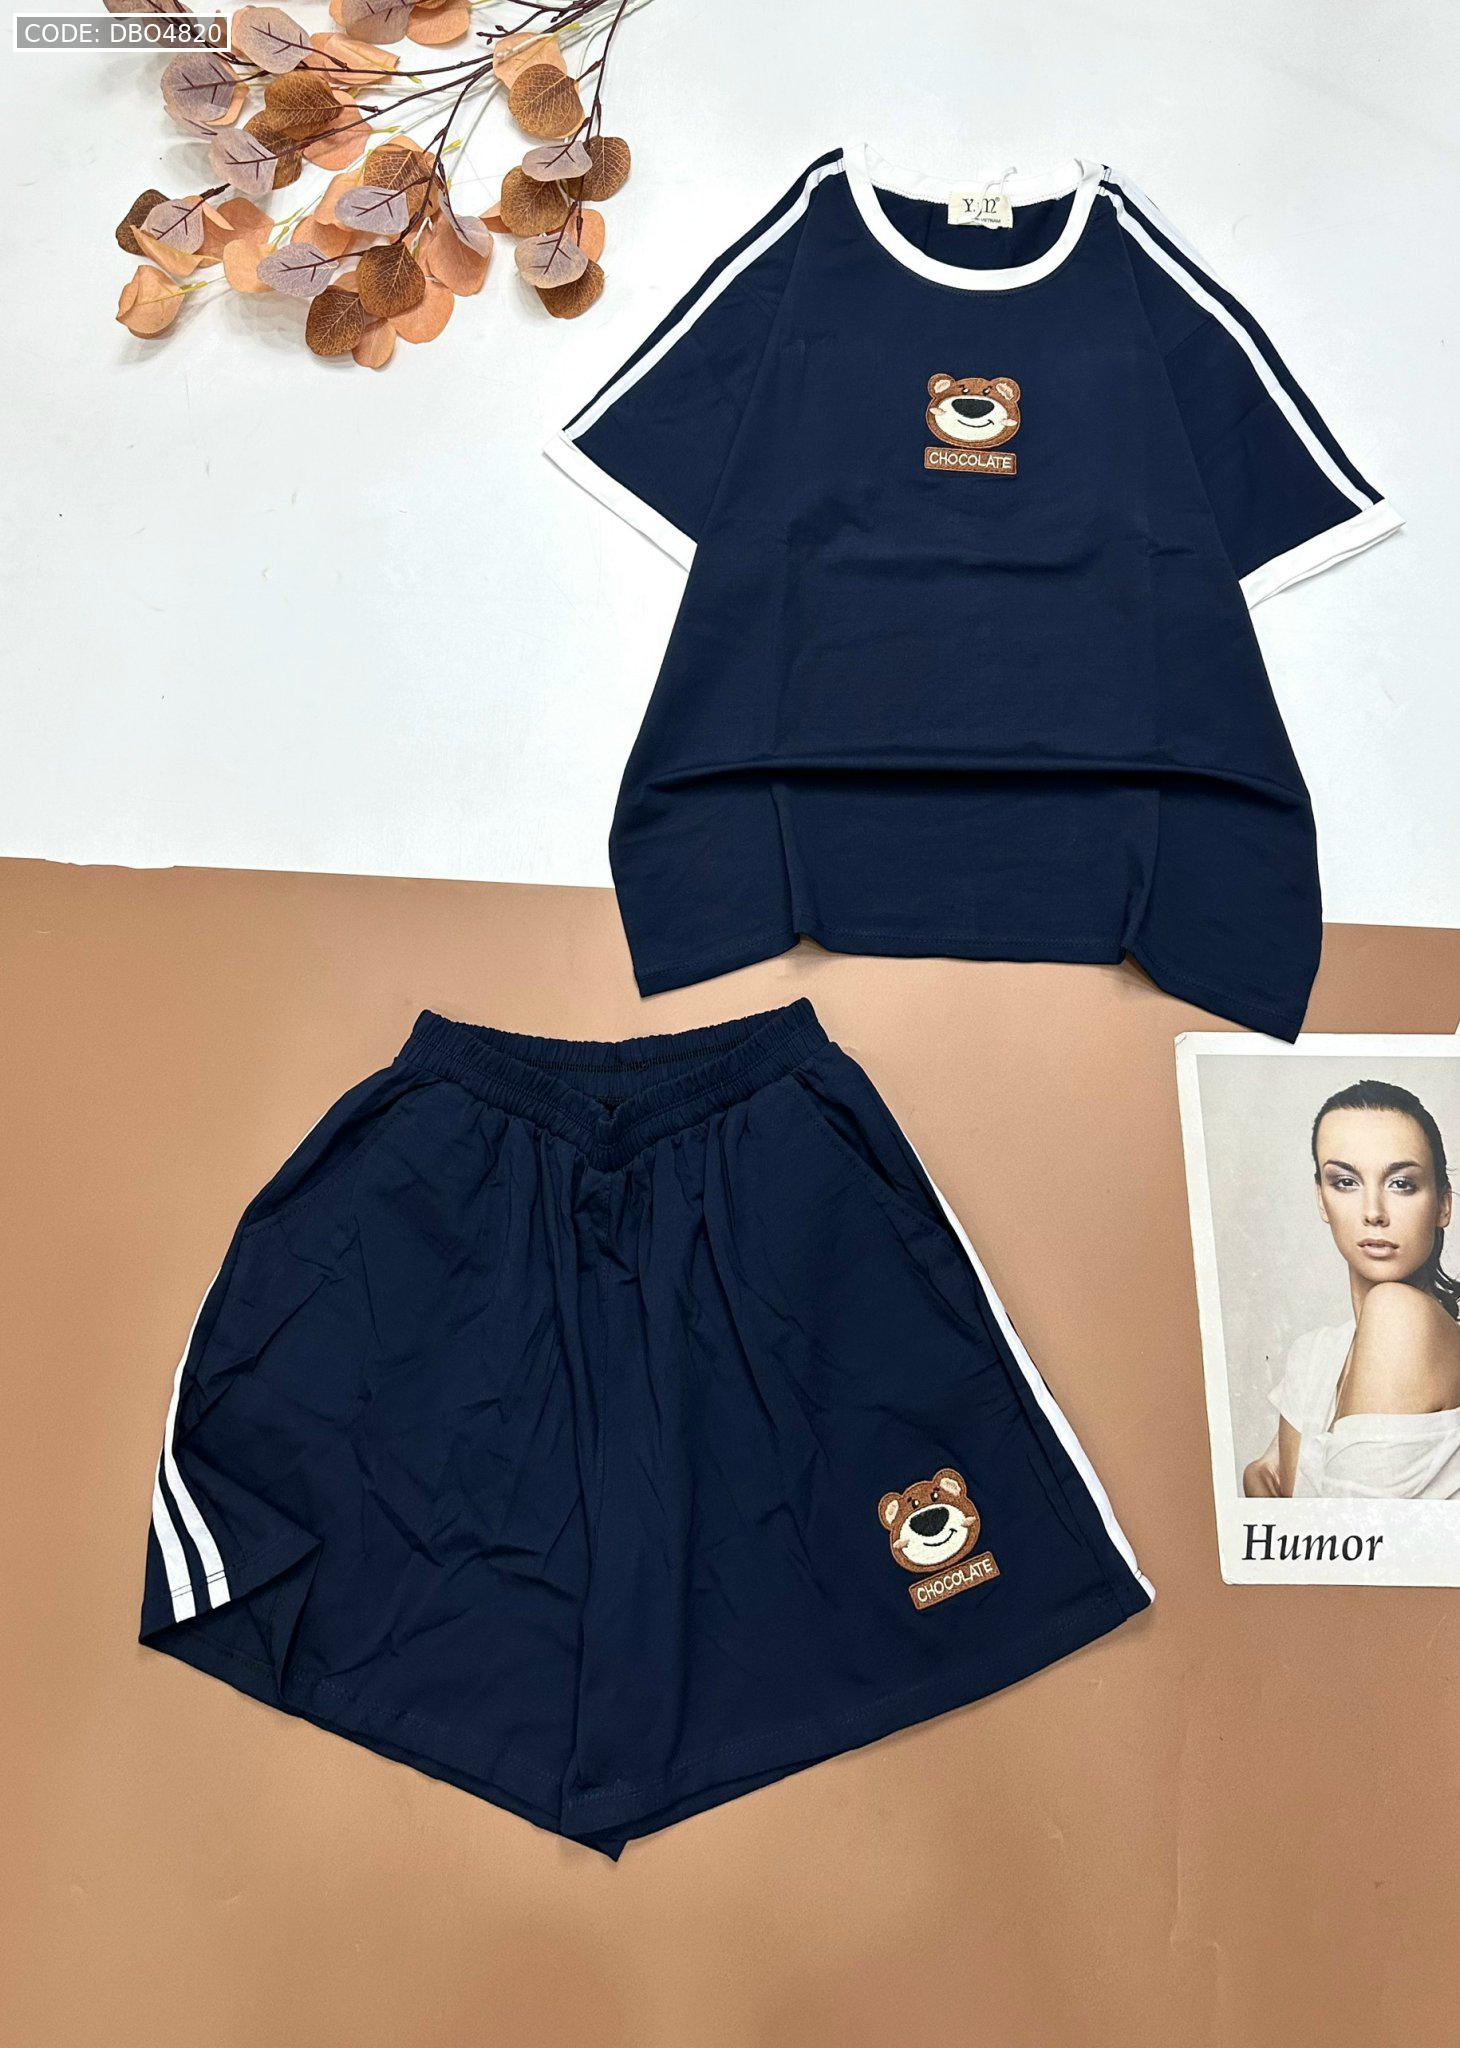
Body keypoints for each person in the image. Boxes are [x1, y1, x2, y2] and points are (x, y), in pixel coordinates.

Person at [1243, 1080, 1460, 1499]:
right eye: (1345, 1182)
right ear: (1321, 1200)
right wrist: (1260, 1478)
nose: (1373, 1212)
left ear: (1443, 1205)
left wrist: (1262, 1480)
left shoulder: (1401, 1314)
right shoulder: (1315, 1355)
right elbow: (1270, 1486)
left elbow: (1332, 1530)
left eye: (1402, 1183)